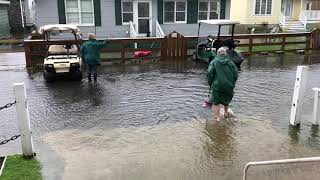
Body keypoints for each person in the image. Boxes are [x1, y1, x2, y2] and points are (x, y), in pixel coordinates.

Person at [207, 47, 238, 122]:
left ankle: (218, 118)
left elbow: (210, 73)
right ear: (225, 54)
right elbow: (236, 74)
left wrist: (210, 82)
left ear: (218, 54)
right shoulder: (230, 62)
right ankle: (226, 113)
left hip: (217, 85)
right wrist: (232, 83)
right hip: (229, 85)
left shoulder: (214, 62)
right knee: (226, 99)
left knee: (216, 102)